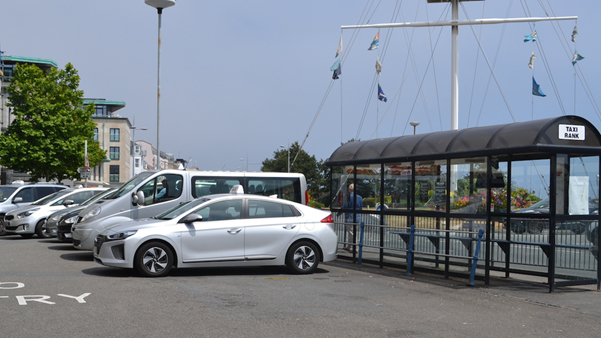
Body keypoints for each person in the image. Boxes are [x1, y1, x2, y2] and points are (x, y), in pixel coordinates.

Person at [342, 184, 362, 253]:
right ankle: (349, 247)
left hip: (350, 217)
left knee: (351, 233)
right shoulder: (360, 197)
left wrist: (338, 213)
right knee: (353, 232)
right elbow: (360, 207)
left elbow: (344, 207)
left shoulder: (349, 197)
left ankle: (355, 248)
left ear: (350, 189)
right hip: (357, 217)